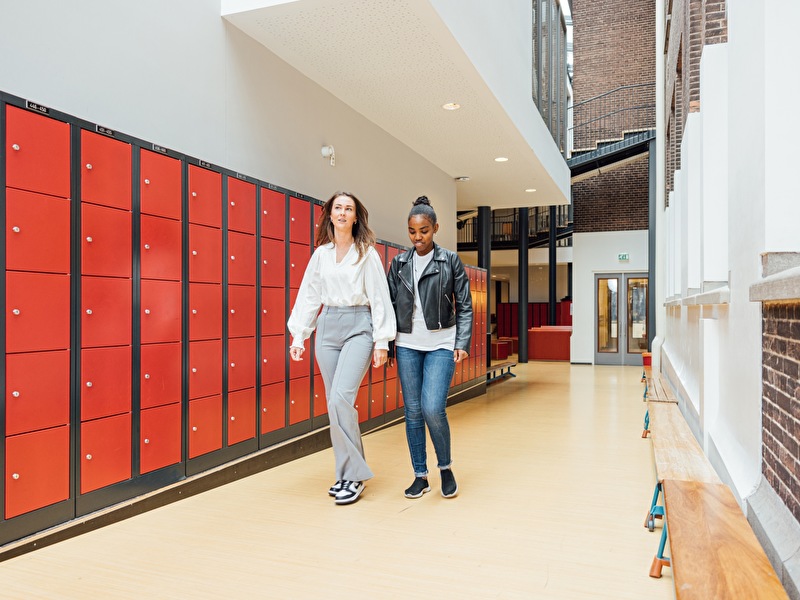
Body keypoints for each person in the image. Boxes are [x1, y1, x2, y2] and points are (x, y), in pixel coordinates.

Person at [287, 191, 396, 505]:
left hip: (359, 326)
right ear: (330, 215)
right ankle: (349, 473)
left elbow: (379, 298)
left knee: (340, 398)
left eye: (349, 208)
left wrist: (382, 342)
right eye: (338, 208)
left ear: (356, 216)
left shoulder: (366, 253)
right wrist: (299, 336)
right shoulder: (321, 254)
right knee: (336, 405)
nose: (343, 213)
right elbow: (309, 296)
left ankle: (352, 476)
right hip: (328, 327)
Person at [387, 196, 473, 499]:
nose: (418, 237)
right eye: (412, 231)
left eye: (424, 231)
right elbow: (388, 306)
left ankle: (445, 467)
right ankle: (420, 475)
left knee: (432, 408)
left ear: (435, 228)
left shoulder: (449, 260)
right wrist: (386, 345)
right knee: (412, 412)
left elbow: (465, 305)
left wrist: (462, 342)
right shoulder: (399, 263)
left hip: (441, 342)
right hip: (408, 343)